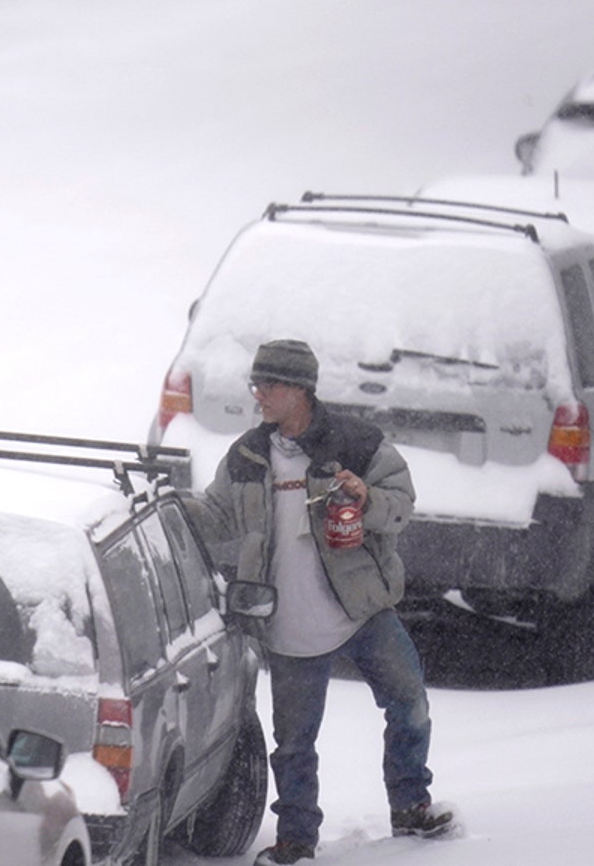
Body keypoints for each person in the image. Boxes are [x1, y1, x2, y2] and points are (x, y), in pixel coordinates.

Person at [187, 338, 454, 865]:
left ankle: (411, 805)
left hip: (361, 611)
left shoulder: (357, 443)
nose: (258, 394)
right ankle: (296, 841)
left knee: (411, 705)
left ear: (299, 389)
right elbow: (217, 517)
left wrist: (368, 499)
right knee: (293, 746)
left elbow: (402, 505)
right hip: (286, 626)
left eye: (269, 385)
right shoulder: (245, 456)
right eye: (256, 384)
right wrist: (174, 507)